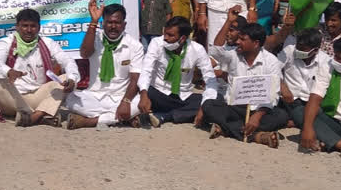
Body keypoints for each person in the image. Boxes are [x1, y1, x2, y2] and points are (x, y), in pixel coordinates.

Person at [202, 16, 288, 147]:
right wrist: (228, 22)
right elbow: (215, 51)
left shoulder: (271, 61)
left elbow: (273, 94)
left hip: (259, 110)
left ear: (256, 43)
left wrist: (257, 116)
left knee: (281, 116)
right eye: (238, 39)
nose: (238, 42)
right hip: (234, 108)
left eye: (243, 39)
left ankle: (228, 129)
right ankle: (256, 136)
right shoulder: (233, 55)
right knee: (208, 105)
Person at [0, 8, 79, 127]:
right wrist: (9, 71)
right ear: (17, 27)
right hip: (13, 98)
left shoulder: (48, 43)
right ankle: (43, 115)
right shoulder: (6, 42)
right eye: (24, 26)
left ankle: (33, 117)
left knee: (67, 79)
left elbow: (67, 60)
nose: (29, 30)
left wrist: (71, 79)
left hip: (38, 96)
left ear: (39, 27)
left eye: (33, 26)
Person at [65, 0, 144, 129]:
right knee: (70, 100)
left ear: (124, 25)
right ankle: (122, 118)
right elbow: (84, 53)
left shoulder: (135, 46)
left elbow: (135, 78)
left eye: (117, 23)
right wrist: (93, 22)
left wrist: (125, 102)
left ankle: (89, 122)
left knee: (141, 102)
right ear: (103, 23)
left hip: (121, 97)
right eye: (109, 22)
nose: (113, 26)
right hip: (94, 96)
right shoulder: (95, 38)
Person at [138, 16, 218, 126]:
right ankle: (181, 114)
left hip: (183, 96)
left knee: (216, 99)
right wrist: (143, 94)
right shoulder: (156, 43)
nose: (165, 38)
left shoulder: (197, 49)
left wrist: (205, 105)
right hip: (158, 93)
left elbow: (210, 80)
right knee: (144, 90)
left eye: (170, 35)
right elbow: (146, 70)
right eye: (165, 33)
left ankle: (165, 116)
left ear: (183, 38)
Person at [278, 27, 331, 127]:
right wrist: (282, 86)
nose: (298, 50)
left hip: (310, 102)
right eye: (298, 46)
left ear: (315, 50)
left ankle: (296, 121)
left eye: (302, 49)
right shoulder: (290, 50)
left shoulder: (325, 61)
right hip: (288, 100)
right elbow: (274, 69)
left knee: (316, 113)